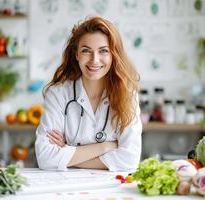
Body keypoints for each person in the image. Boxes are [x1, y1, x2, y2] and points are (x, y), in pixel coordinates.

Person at [35, 16, 142, 171]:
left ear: (113, 55)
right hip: (66, 186)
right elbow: (45, 158)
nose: (94, 60)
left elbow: (130, 160)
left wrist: (67, 153)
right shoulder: (58, 94)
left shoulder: (127, 95)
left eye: (103, 51)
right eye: (86, 51)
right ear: (77, 54)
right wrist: (105, 147)